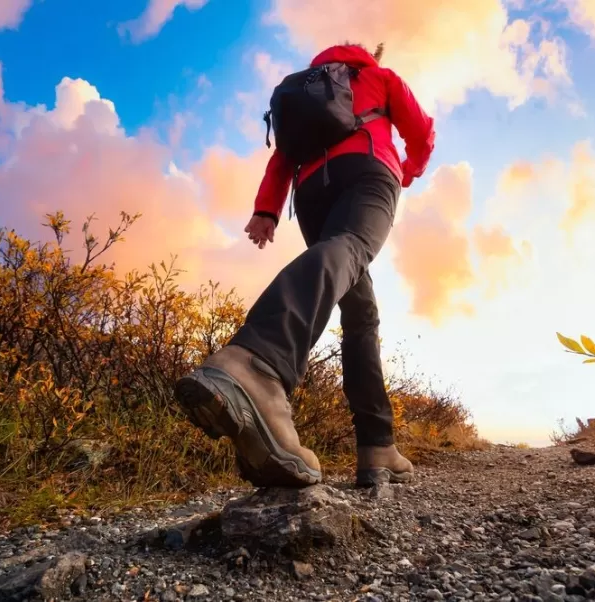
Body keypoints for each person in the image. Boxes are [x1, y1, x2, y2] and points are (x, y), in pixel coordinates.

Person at [175, 42, 436, 488]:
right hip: (368, 170)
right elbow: (422, 130)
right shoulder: (378, 76)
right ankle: (258, 362)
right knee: (352, 246)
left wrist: (267, 211)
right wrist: (406, 169)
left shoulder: (304, 95)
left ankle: (377, 443)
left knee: (360, 314)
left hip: (310, 192)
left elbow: (281, 159)